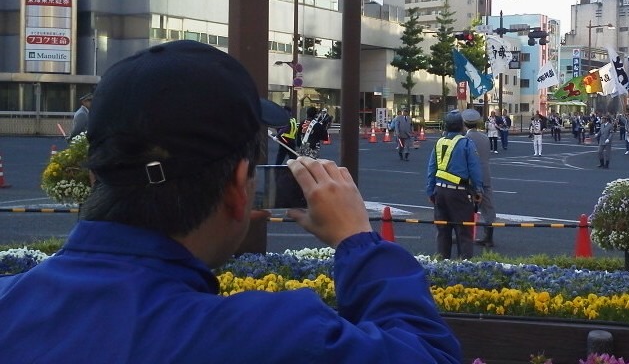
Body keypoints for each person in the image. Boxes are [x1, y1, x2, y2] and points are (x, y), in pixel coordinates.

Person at [0, 40, 461, 363]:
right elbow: (428, 354)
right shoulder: (275, 338)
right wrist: (358, 242)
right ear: (240, 186)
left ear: (94, 172)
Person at [426, 110, 483, 260]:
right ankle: (464, 268)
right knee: (464, 232)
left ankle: (441, 267)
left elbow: (431, 169)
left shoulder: (439, 143)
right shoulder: (465, 143)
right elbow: (474, 169)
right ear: (461, 126)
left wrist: (430, 191)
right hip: (459, 193)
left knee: (442, 231)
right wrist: (478, 190)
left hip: (440, 191)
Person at [462, 109, 496, 248]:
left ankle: (463, 234)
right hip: (485, 175)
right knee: (488, 207)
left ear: (464, 123)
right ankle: (489, 237)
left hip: (469, 177)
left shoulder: (464, 139)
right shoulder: (485, 138)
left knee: (463, 205)